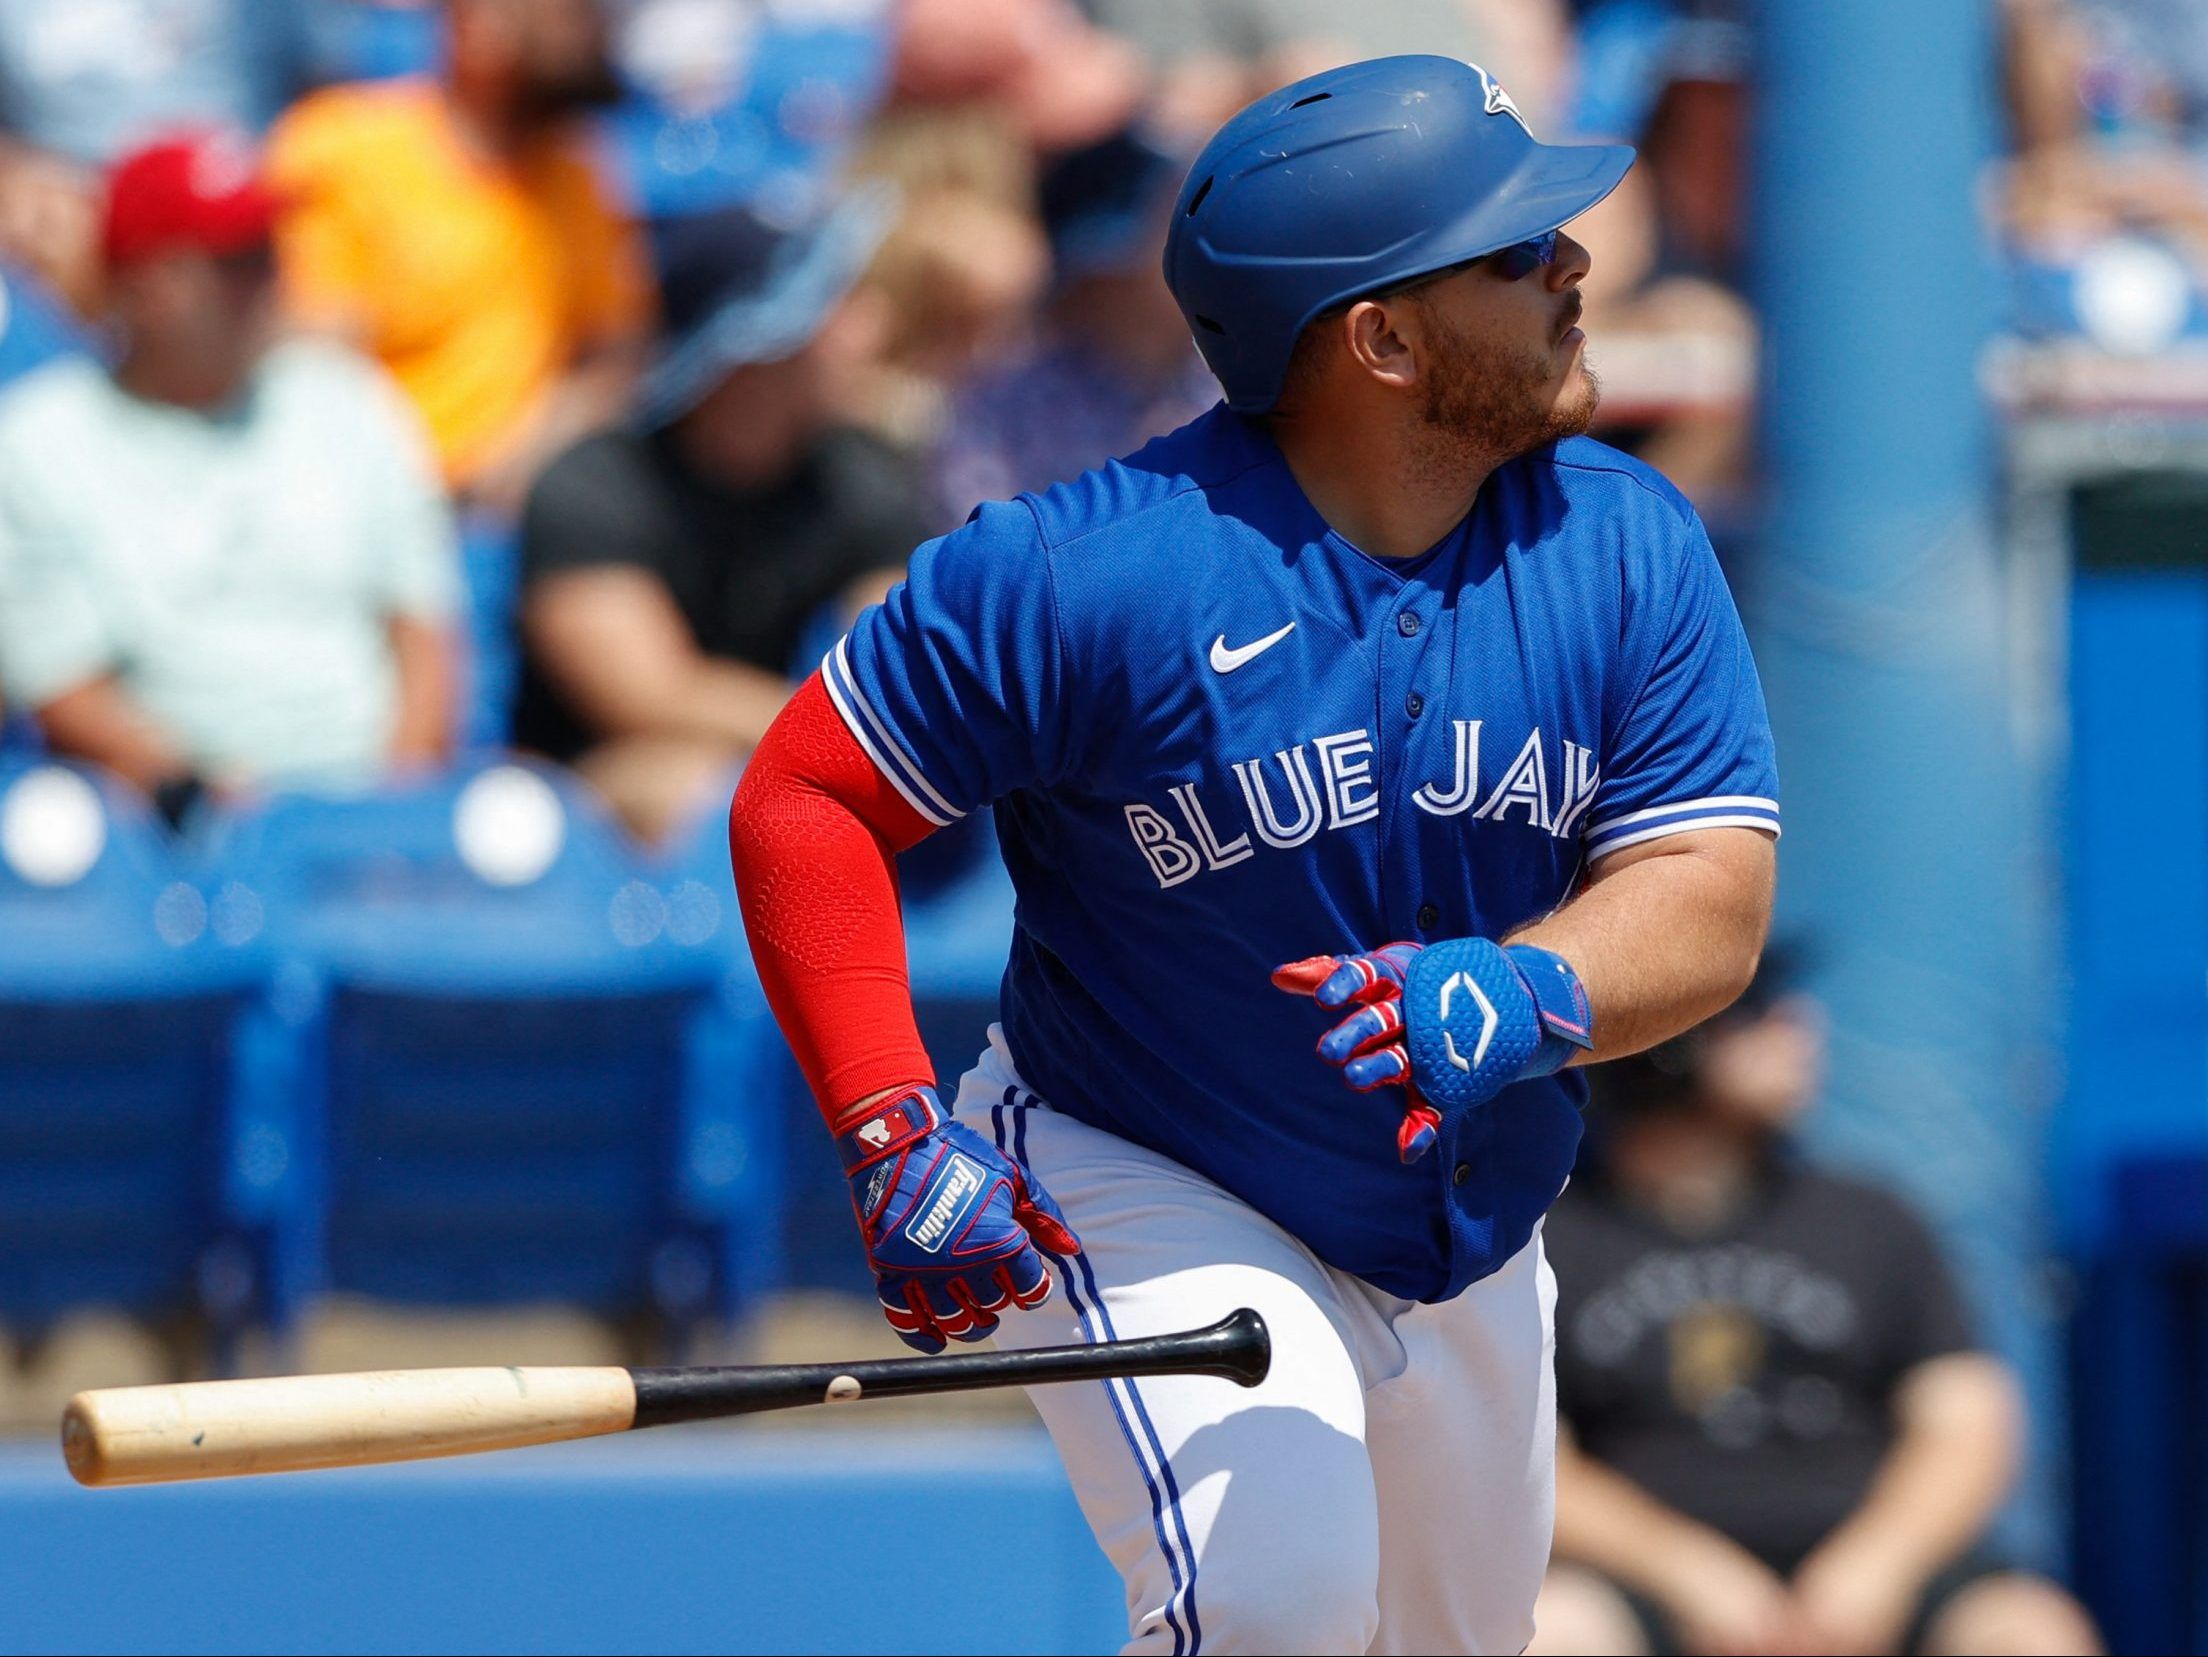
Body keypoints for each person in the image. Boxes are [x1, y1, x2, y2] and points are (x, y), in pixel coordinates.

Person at [729, 56, 1780, 1652]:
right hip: (1151, 1163)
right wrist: (891, 1123)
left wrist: (1531, 985)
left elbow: (1709, 897)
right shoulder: (1086, 573)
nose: (1576, 268)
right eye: (1518, 252)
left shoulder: (1623, 542)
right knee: (1275, 1601)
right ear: (1381, 338)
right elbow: (806, 799)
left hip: (1470, 1219)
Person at [1531, 965, 2104, 1657]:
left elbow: (1969, 1425)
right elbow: (1531, 1459)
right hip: (1648, 1583)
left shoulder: (1869, 1217)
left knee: (2031, 1633)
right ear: (1666, 1042)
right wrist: (1689, 1574)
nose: (1801, 1031)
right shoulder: (1554, 1239)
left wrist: (1877, 1566)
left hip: (1871, 1573)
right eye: (1759, 1013)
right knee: (1555, 1632)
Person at [0, 133, 458, 816]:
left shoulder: (346, 400)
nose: (273, 278)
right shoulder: (38, 440)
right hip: (164, 835)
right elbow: (64, 683)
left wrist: (387, 818)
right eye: (238, 261)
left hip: (370, 820)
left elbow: (424, 632)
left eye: (270, 251)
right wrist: (203, 800)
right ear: (147, 284)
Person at [513, 194, 927, 844]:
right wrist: (850, 736)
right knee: (701, 788)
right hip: (583, 798)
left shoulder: (856, 473)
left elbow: (907, 657)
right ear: (752, 348)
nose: (870, 328)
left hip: (781, 754)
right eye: (834, 305)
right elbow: (646, 697)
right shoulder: (594, 483)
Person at [265, 0, 651, 512]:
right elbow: (311, 367)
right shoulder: (342, 146)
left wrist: (536, 447)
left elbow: (618, 353)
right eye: (566, 11)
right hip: (362, 507)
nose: (588, 27)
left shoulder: (580, 172)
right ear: (478, 20)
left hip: (516, 513)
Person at [932, 127, 1216, 521]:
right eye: (1175, 212)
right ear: (1107, 260)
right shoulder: (1004, 402)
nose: (1211, 234)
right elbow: (982, 550)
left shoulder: (1244, 380)